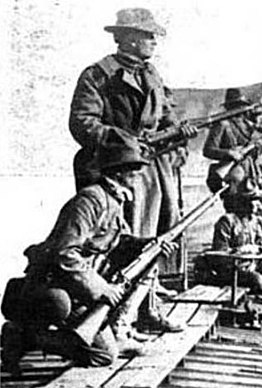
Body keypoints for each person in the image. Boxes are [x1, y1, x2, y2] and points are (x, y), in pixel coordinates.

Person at [1, 137, 183, 373]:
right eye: (134, 170)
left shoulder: (114, 200)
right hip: (54, 284)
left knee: (104, 355)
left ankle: (32, 338)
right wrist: (101, 289)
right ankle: (20, 336)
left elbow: (119, 243)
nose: (139, 176)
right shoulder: (90, 200)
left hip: (80, 289)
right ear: (119, 173)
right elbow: (65, 253)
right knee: (59, 304)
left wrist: (151, 245)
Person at [68, 8, 198, 277]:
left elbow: (164, 116)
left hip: (154, 167)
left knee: (162, 229)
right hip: (116, 166)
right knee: (125, 233)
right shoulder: (98, 75)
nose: (154, 41)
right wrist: (124, 141)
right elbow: (82, 123)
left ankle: (150, 289)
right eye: (148, 35)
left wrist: (177, 132)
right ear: (130, 38)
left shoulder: (151, 74)